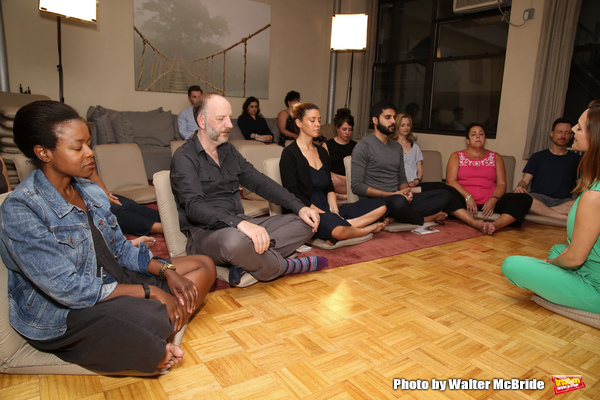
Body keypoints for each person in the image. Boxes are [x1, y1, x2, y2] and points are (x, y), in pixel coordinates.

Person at [0, 100, 216, 374]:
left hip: (113, 278)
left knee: (204, 266)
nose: (90, 153)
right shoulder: (22, 209)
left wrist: (167, 271)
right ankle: (155, 328)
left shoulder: (90, 190)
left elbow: (123, 250)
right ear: (44, 153)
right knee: (152, 312)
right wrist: (150, 292)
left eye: (88, 143)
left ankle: (154, 329)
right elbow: (67, 289)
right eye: (78, 147)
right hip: (68, 311)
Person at [170, 93, 327, 287]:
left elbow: (261, 183)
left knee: (305, 222)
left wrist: (300, 207)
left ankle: (246, 261)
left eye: (230, 117)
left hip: (241, 226)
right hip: (206, 234)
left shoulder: (228, 151)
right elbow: (194, 207)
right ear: (201, 121)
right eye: (221, 119)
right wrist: (239, 224)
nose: (229, 124)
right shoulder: (184, 157)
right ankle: (286, 266)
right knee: (234, 242)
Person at [502, 100, 600, 314]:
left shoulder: (594, 195)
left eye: (579, 128)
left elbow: (575, 258)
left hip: (596, 286)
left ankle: (580, 288)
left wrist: (550, 265)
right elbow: (524, 182)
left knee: (512, 265)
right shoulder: (540, 157)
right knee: (557, 249)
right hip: (541, 200)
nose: (572, 130)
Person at [280, 103, 388, 244]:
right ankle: (365, 229)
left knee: (381, 206)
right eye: (312, 120)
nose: (318, 124)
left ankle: (347, 224)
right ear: (299, 123)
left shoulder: (322, 151)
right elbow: (293, 194)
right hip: (306, 212)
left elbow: (329, 187)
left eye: (319, 120)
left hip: (328, 208)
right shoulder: (289, 154)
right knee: (336, 227)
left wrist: (335, 211)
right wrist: (323, 214)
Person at [351, 101, 452, 226]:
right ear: (375, 120)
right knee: (398, 202)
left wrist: (406, 191)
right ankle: (423, 219)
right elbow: (356, 186)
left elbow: (402, 178)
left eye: (394, 117)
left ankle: (396, 216)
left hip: (398, 198)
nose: (393, 121)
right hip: (377, 201)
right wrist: (393, 194)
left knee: (445, 195)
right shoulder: (363, 146)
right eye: (387, 117)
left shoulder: (397, 147)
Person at [394, 113, 497, 234]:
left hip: (415, 185)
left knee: (444, 188)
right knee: (445, 188)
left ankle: (415, 191)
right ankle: (423, 210)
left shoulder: (414, 147)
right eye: (403, 125)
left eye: (408, 125)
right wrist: (403, 185)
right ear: (397, 127)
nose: (406, 128)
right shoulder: (392, 146)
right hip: (400, 186)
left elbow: (419, 170)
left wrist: (417, 180)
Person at [446, 123, 532, 234]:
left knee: (525, 198)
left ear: (485, 138)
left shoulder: (496, 157)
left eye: (481, 134)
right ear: (468, 140)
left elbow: (502, 184)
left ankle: (496, 225)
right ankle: (474, 222)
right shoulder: (456, 156)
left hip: (489, 204)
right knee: (446, 193)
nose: (478, 136)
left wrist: (493, 199)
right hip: (464, 203)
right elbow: (450, 181)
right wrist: (468, 197)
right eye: (474, 134)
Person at [513, 118, 580, 221]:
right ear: (552, 134)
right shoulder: (537, 157)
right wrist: (520, 187)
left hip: (563, 201)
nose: (563, 136)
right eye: (559, 132)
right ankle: (559, 216)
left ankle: (544, 212)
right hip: (538, 199)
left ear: (571, 136)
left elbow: (581, 185)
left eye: (567, 133)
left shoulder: (576, 160)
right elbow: (525, 181)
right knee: (520, 197)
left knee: (581, 202)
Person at [322, 108, 357, 202]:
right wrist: (343, 179)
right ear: (337, 128)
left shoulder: (356, 146)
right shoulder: (327, 145)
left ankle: (342, 196)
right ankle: (348, 196)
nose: (347, 133)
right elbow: (325, 169)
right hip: (336, 180)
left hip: (350, 181)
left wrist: (347, 179)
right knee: (329, 178)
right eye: (344, 129)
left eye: (350, 130)